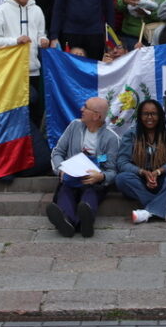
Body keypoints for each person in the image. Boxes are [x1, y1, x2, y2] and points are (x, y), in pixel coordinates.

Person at [47, 96, 121, 237]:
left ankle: (84, 221)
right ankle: (67, 221)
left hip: (93, 182)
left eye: (86, 107)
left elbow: (113, 170)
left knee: (90, 194)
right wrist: (60, 169)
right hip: (70, 178)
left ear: (96, 116)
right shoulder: (74, 126)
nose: (82, 109)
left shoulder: (112, 138)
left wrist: (101, 176)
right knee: (65, 192)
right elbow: (57, 152)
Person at [0, 0, 50, 130]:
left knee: (34, 111)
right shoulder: (2, 10)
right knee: (15, 114)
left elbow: (41, 34)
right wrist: (15, 41)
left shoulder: (37, 10)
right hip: (11, 71)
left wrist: (44, 40)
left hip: (33, 71)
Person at [115, 99, 166, 223]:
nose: (150, 117)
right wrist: (142, 172)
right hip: (140, 180)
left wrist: (159, 171)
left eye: (154, 114)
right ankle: (164, 209)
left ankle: (148, 212)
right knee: (121, 178)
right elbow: (122, 162)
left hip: (163, 180)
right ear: (139, 116)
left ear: (160, 116)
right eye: (145, 114)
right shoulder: (131, 134)